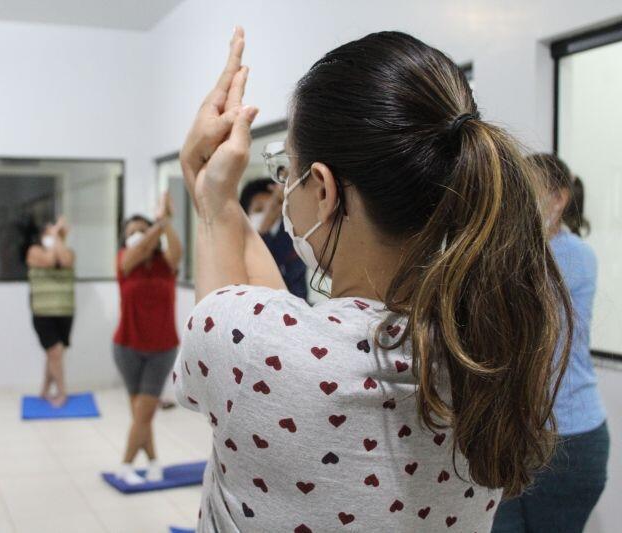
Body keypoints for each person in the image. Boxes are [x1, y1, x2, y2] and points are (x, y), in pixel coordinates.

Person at [174, 28, 572, 532]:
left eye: (286, 172)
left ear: (322, 188)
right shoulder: (492, 351)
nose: (285, 189)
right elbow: (262, 323)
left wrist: (211, 195)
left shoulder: (251, 347)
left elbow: (244, 326)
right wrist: (218, 201)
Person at [492, 155, 608, 532]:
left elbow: (530, 328)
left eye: (527, 190)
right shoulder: (509, 251)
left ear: (558, 200)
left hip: (569, 441)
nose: (515, 200)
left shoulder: (576, 257)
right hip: (513, 436)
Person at [113, 193, 183, 485]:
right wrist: (159, 222)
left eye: (143, 230)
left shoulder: (167, 264)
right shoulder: (124, 262)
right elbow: (135, 252)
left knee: (143, 413)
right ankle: (154, 462)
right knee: (142, 415)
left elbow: (177, 250)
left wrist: (165, 223)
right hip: (127, 346)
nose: (139, 236)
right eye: (132, 232)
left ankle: (126, 467)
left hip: (162, 348)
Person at [26, 216, 75, 408]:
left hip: (65, 311)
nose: (52, 236)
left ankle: (44, 390)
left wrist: (58, 239)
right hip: (43, 312)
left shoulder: (67, 251)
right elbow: (49, 260)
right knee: (55, 351)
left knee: (54, 353)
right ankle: (62, 393)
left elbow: (64, 260)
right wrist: (56, 237)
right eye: (48, 232)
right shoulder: (34, 251)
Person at [240, 177, 308, 299]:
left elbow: (297, 294)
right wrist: (263, 230)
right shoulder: (236, 249)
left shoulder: (293, 248)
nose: (268, 215)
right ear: (244, 215)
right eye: (260, 209)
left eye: (274, 209)